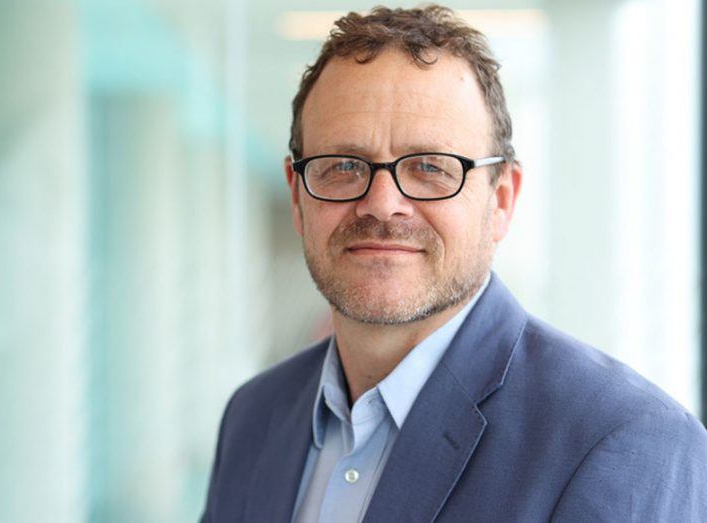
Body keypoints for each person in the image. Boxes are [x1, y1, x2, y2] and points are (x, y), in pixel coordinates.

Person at [201, 5, 707, 522]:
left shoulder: (624, 443)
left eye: (429, 167)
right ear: (296, 195)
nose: (381, 203)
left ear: (501, 199)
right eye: (343, 166)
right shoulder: (253, 417)